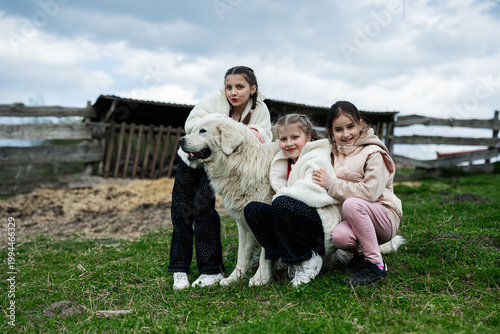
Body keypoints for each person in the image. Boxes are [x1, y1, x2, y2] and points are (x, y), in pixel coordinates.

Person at [169, 66, 272, 290]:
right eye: (228, 87)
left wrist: (248, 131)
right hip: (191, 159)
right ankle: (179, 269)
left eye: (239, 87)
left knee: (204, 211)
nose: (233, 92)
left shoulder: (261, 109)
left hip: (219, 166)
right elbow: (192, 124)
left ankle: (210, 270)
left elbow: (264, 136)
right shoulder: (214, 101)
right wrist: (219, 123)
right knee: (181, 211)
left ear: (252, 89)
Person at [244, 114, 342, 287]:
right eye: (283, 139)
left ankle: (308, 259)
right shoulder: (285, 162)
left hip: (321, 226)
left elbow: (312, 192)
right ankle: (284, 259)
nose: (289, 143)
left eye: (295, 137)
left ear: (309, 137)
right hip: (297, 221)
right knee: (253, 210)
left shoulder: (317, 157)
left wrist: (280, 196)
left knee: (282, 203)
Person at [312, 101, 403, 287]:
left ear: (360, 125)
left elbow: (369, 193)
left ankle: (376, 265)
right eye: (338, 129)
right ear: (331, 132)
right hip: (356, 219)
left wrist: (331, 184)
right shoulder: (331, 154)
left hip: (383, 215)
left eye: (350, 126)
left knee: (352, 203)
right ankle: (360, 257)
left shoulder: (374, 153)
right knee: (339, 236)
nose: (345, 134)